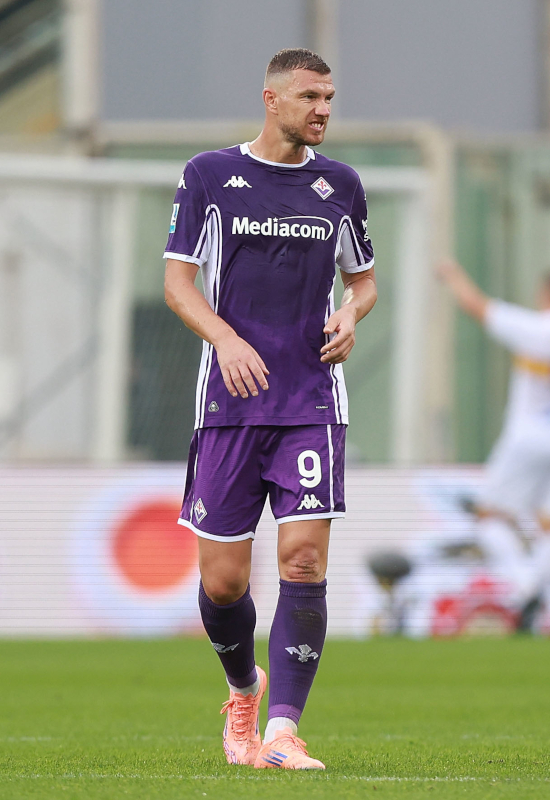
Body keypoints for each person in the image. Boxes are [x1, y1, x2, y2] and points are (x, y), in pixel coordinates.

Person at [163, 48, 376, 769]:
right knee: (223, 583)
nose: (323, 110)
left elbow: (366, 281)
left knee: (305, 559)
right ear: (272, 99)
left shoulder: (339, 186)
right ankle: (243, 689)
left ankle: (283, 732)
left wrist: (353, 313)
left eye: (330, 98)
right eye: (312, 97)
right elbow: (177, 284)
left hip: (310, 400)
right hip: (229, 405)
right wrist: (223, 340)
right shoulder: (209, 177)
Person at [436, 260, 550, 626]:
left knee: (489, 519)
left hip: (527, 440)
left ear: (543, 294)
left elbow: (476, 305)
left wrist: (452, 274)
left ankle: (526, 588)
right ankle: (538, 593)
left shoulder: (531, 328)